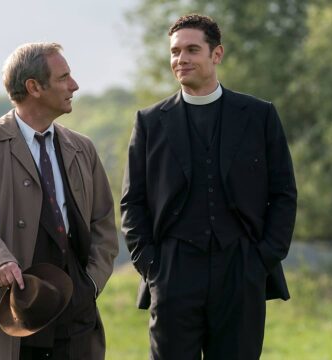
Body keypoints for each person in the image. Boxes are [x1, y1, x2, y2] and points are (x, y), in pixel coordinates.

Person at [121, 14, 297, 359]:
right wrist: (152, 267)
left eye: (191, 50)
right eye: (174, 52)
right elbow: (133, 202)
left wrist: (261, 259)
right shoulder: (149, 122)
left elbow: (283, 194)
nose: (180, 59)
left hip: (241, 269)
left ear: (216, 54)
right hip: (172, 272)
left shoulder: (259, 115)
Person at [0, 42, 118, 360]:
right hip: (10, 306)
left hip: (75, 312)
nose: (74, 85)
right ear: (33, 87)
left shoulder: (83, 149)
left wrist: (91, 284)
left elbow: (104, 224)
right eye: (63, 77)